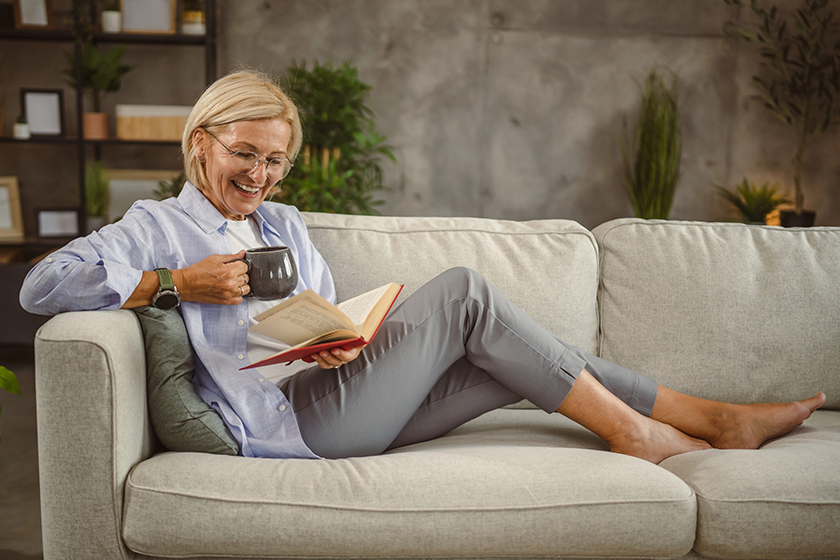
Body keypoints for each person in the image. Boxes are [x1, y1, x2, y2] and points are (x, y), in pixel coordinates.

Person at [20, 69, 825, 463]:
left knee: (529, 358)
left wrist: (338, 341)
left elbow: (318, 319)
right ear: (201, 142)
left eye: (275, 161)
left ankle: (717, 420)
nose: (260, 175)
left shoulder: (284, 223)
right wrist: (175, 284)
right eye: (245, 154)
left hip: (337, 390)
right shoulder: (155, 226)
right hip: (289, 422)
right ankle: (640, 435)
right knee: (466, 294)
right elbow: (40, 286)